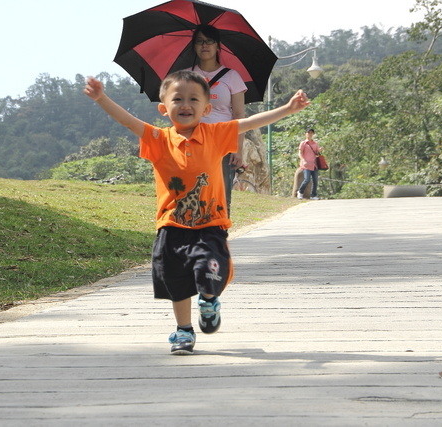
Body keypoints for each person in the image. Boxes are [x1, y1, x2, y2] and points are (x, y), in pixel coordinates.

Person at [84, 71, 310, 355]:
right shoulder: (158, 139)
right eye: (177, 99)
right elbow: (127, 121)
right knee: (176, 281)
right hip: (170, 226)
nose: (185, 104)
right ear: (164, 108)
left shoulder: (215, 134)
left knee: (207, 269)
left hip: (210, 223)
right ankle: (183, 331)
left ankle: (208, 300)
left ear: (206, 109)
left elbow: (249, 122)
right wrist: (102, 98)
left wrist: (288, 109)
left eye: (193, 99)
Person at [189, 24, 246, 216]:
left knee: (221, 194)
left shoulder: (231, 76)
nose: (204, 45)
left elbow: (239, 115)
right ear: (194, 46)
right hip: (193, 142)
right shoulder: (187, 76)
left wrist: (237, 150)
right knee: (194, 193)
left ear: (218, 45)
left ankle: (220, 238)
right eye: (199, 41)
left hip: (222, 142)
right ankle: (195, 239)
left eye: (209, 41)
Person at [296, 129, 322, 200]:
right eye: (308, 133)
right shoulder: (303, 143)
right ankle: (300, 192)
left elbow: (316, 153)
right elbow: (300, 153)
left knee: (315, 180)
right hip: (306, 164)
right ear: (305, 134)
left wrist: (319, 150)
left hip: (314, 164)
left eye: (311, 133)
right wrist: (303, 160)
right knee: (307, 179)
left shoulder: (315, 143)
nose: (310, 134)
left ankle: (313, 195)